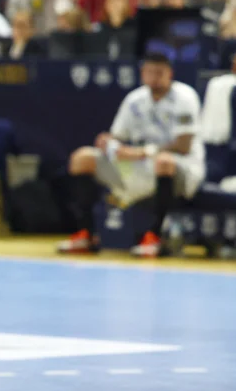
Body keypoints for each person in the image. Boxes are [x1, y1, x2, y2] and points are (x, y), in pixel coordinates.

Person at [58, 54, 205, 258]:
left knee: (163, 162)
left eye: (159, 73)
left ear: (169, 74)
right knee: (82, 158)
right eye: (149, 72)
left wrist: (143, 152)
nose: (154, 77)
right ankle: (86, 234)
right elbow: (118, 135)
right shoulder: (135, 99)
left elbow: (183, 145)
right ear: (142, 73)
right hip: (137, 165)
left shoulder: (185, 97)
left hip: (181, 167)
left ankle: (154, 238)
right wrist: (108, 142)